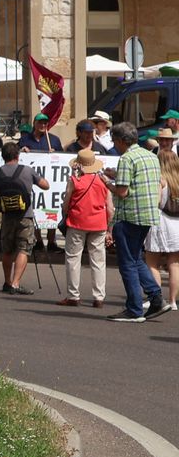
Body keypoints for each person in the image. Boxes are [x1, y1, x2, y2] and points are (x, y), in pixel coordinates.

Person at [105, 121, 165, 321]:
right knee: (136, 258)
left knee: (127, 263)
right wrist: (115, 175)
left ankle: (134, 309)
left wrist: (107, 182)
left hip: (129, 215)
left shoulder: (126, 158)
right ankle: (156, 297)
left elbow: (122, 192)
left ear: (122, 140)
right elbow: (138, 180)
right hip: (147, 215)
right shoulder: (150, 156)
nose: (115, 145)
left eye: (115, 141)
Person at [0, 141, 48, 295]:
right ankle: (16, 283)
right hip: (25, 216)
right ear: (18, 155)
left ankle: (7, 282)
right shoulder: (27, 171)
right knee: (24, 248)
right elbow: (46, 185)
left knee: (7, 250)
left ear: (3, 156)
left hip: (6, 216)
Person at [59, 148, 109, 308]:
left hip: (77, 222)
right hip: (99, 223)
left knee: (73, 258)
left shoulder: (74, 180)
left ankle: (73, 295)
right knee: (98, 260)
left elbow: (66, 202)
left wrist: (64, 213)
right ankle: (99, 297)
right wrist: (109, 226)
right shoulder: (103, 180)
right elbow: (110, 207)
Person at [144, 150, 179, 313]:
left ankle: (156, 298)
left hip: (161, 222)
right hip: (177, 224)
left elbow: (156, 201)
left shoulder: (161, 180)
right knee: (174, 264)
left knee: (152, 262)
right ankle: (173, 301)